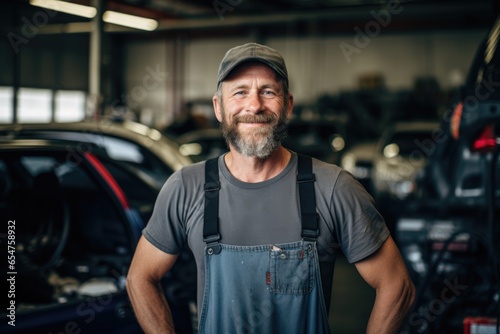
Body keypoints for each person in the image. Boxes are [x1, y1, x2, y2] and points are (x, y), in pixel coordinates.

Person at [126, 42, 415, 334]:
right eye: (239, 92)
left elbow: (397, 285)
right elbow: (141, 277)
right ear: (218, 106)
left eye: (268, 91)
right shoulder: (185, 187)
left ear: (287, 105)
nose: (254, 106)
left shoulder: (333, 188)